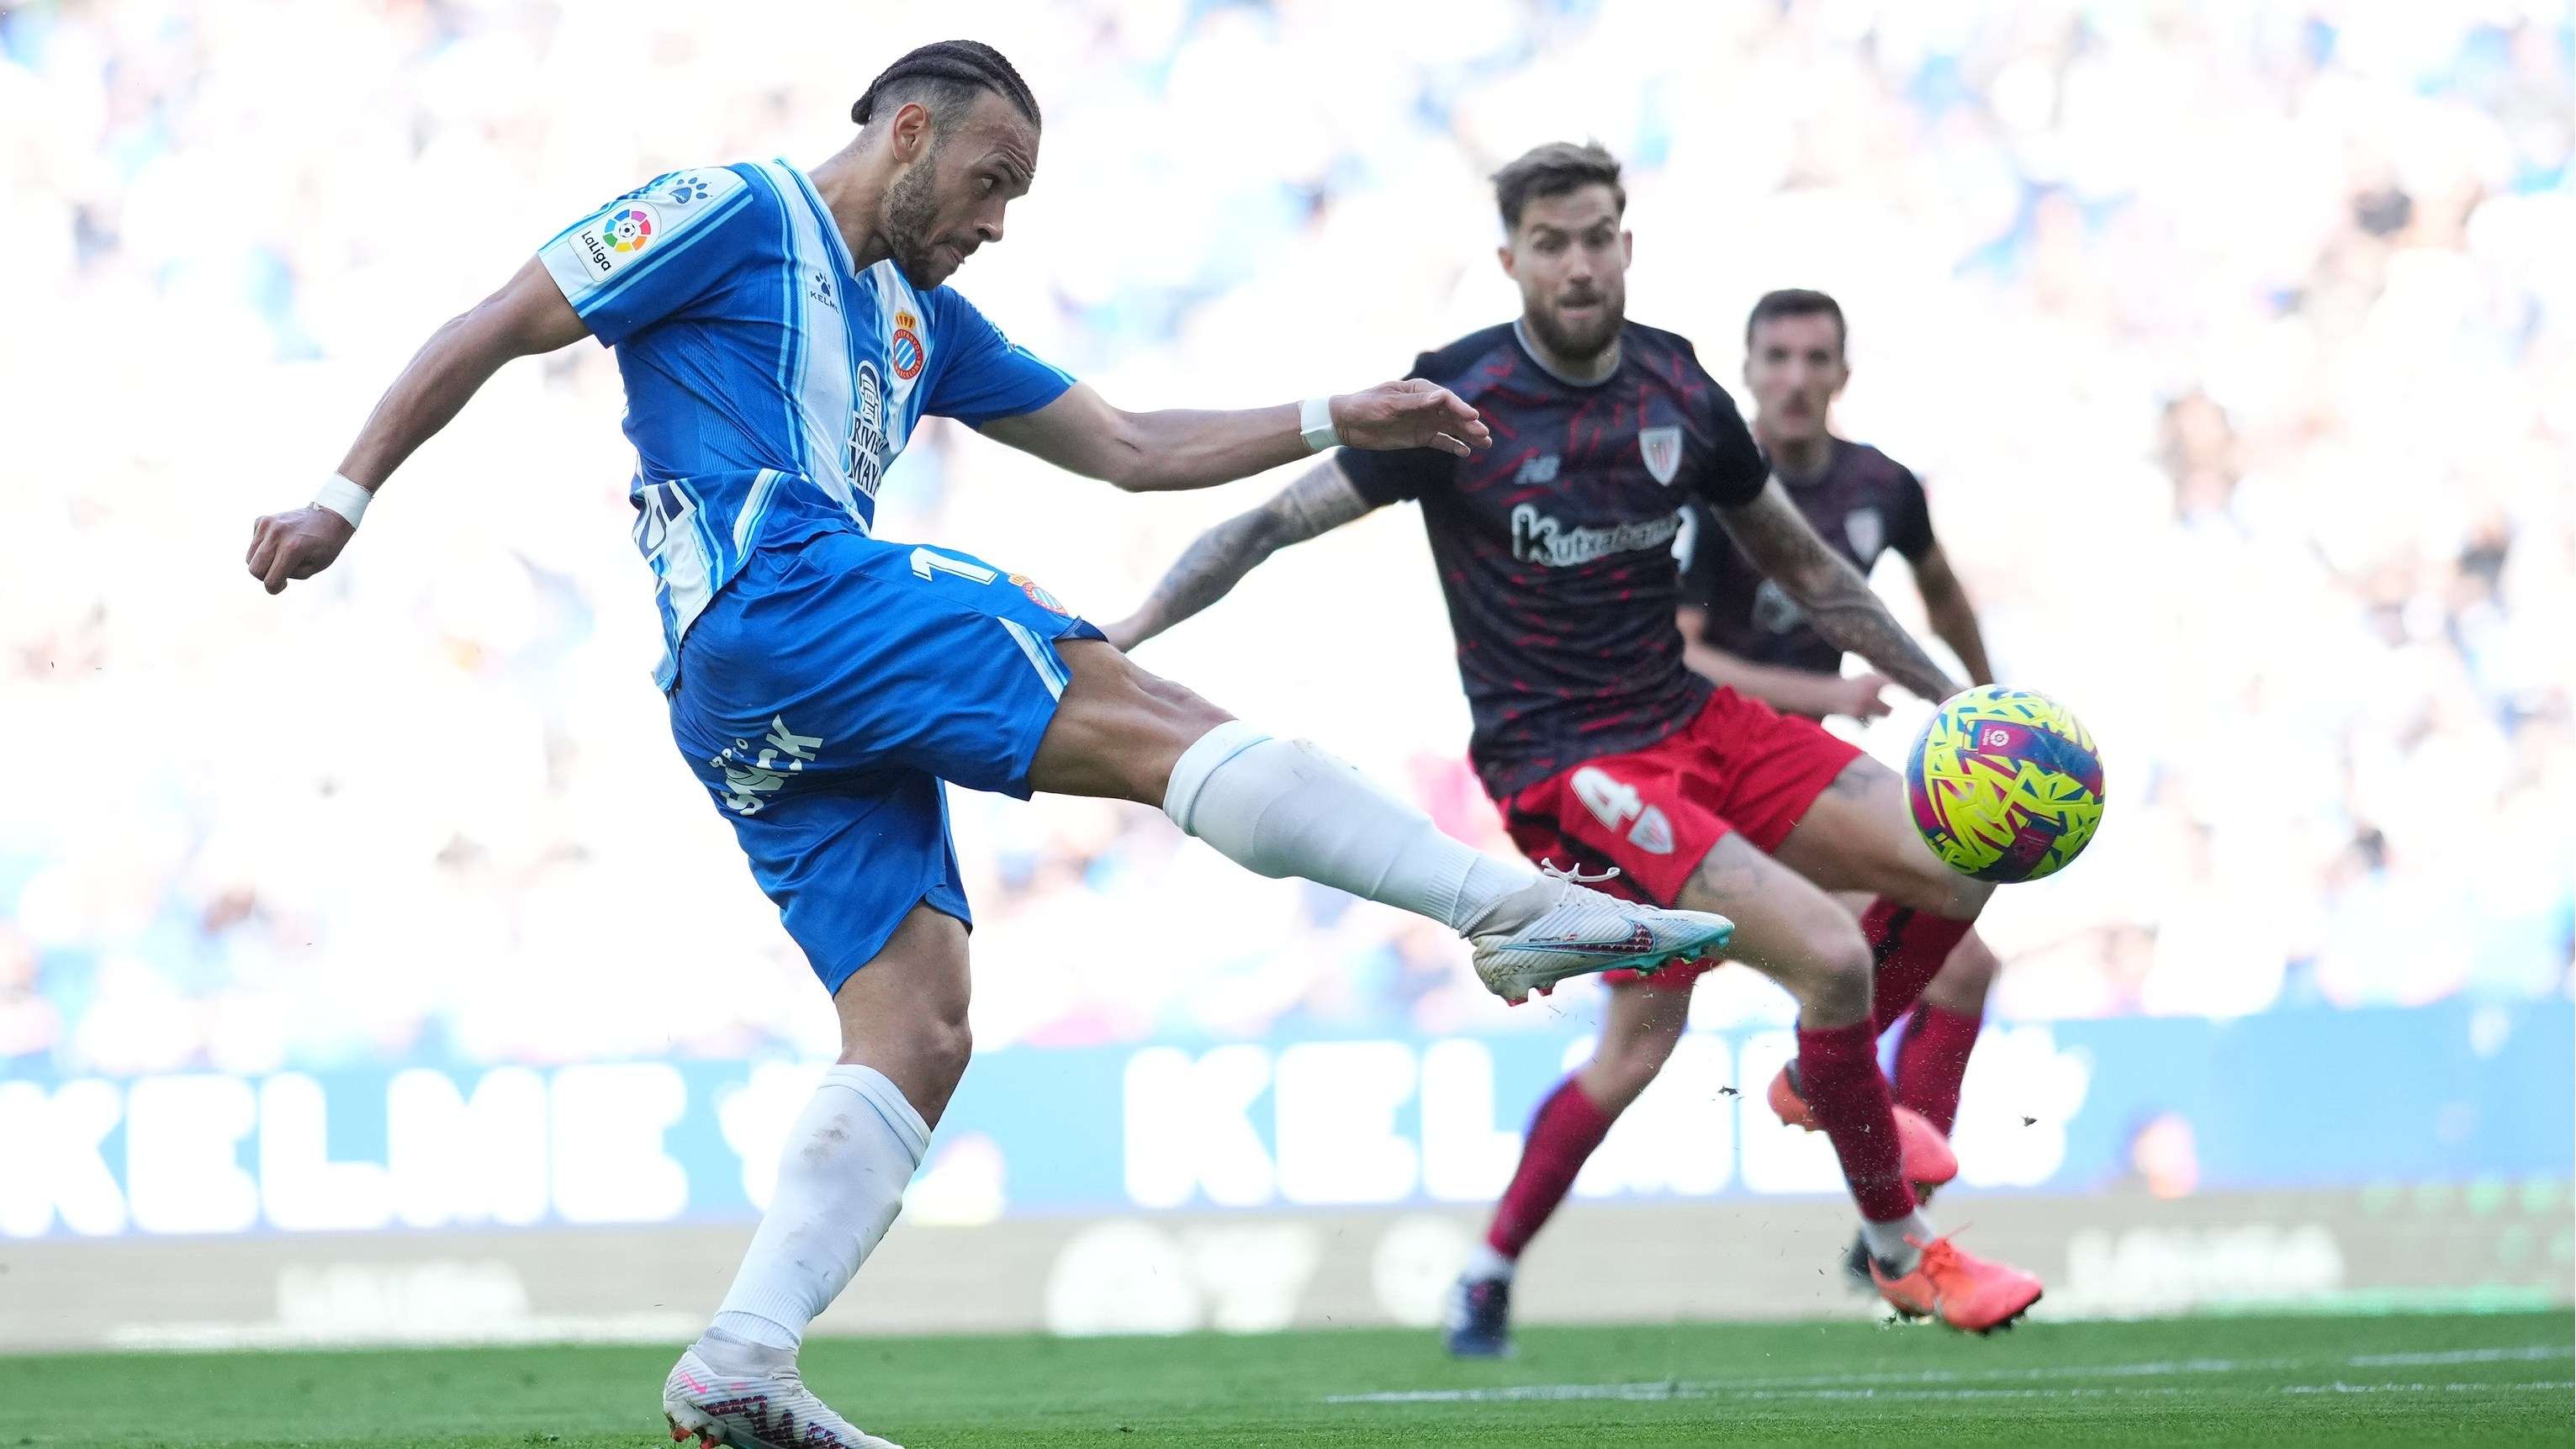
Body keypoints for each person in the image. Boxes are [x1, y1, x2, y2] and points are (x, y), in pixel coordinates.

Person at [242, 46, 1734, 1449]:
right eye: (990, 177)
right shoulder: (731, 210)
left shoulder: (921, 319)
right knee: (1140, 711)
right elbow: (502, 321)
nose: (1000, 220)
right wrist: (342, 496)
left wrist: (1329, 413)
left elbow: (1133, 447)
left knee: (919, 1021)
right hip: (779, 584)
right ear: (909, 133)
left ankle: (742, 1358)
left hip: (752, 691)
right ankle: (1505, 906)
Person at [1103, 140, 2042, 1349]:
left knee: (1964, 859)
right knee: (1822, 961)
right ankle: (1899, 1251)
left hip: (1696, 724)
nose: (1578, 262)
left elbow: (1805, 568)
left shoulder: (1677, 389)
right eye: (1551, 243)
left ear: (1625, 244)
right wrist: (1131, 629)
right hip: (1567, 766)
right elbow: (1268, 524)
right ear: (1511, 260)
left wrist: (1955, 704)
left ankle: (1824, 1074)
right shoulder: (1451, 403)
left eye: (1597, 235)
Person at [1678, 287, 2006, 1289]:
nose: (1795, 377)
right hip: (1702, 777)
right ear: (1747, 370)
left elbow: (1940, 586)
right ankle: (1490, 1267)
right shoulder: (1712, 486)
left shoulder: (1882, 487)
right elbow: (1684, 656)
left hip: (1800, 790)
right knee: (1626, 1055)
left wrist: (1988, 704)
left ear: (1842, 376)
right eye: (1776, 356)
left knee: (1964, 969)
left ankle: (1894, 1229)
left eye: (1816, 358)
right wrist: (1833, 690)